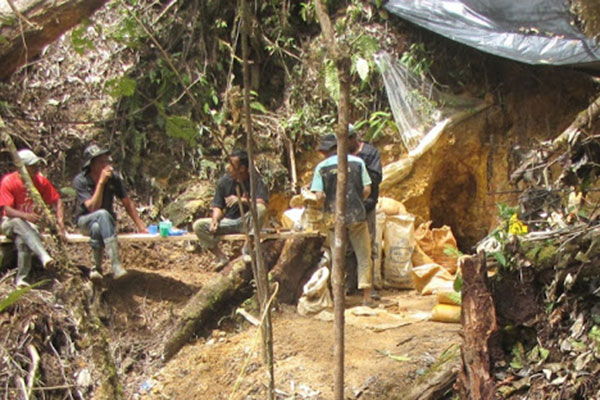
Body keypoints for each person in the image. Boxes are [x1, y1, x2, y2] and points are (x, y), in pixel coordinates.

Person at [310, 133, 374, 306]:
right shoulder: (358, 162)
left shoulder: (321, 167)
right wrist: (356, 200)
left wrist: (327, 201)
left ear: (326, 151)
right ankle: (367, 297)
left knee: (337, 256)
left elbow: (319, 196)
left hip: (333, 217)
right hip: (356, 215)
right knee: (364, 255)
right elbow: (367, 189)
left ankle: (338, 298)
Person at [73, 144, 147, 280]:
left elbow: (126, 202)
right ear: (92, 165)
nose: (106, 165)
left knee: (98, 226)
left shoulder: (114, 178)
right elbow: (92, 208)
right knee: (101, 214)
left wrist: (140, 225)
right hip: (85, 221)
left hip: (105, 223)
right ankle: (115, 264)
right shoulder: (81, 180)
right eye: (102, 162)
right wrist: (101, 183)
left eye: (107, 161)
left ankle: (96, 269)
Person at [193, 149, 268, 270]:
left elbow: (262, 202)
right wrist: (215, 220)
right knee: (198, 226)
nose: (228, 167)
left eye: (231, 164)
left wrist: (242, 200)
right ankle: (221, 257)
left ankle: (247, 248)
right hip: (229, 222)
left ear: (242, 168)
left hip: (248, 222)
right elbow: (218, 205)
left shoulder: (255, 180)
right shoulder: (224, 181)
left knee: (261, 209)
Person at [0, 149, 66, 287]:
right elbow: (8, 210)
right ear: (22, 167)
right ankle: (44, 256)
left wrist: (60, 222)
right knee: (18, 221)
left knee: (22, 241)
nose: (36, 168)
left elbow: (57, 200)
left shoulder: (40, 181)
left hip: (30, 227)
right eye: (32, 166)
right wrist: (26, 216)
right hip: (10, 223)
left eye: (36, 165)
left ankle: (21, 279)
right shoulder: (9, 181)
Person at [348, 123, 383, 299]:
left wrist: (358, 175)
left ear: (353, 138)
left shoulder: (369, 153)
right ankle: (350, 284)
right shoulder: (341, 156)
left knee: (368, 246)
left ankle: (368, 287)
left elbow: (376, 178)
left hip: (366, 206)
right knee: (348, 248)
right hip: (347, 208)